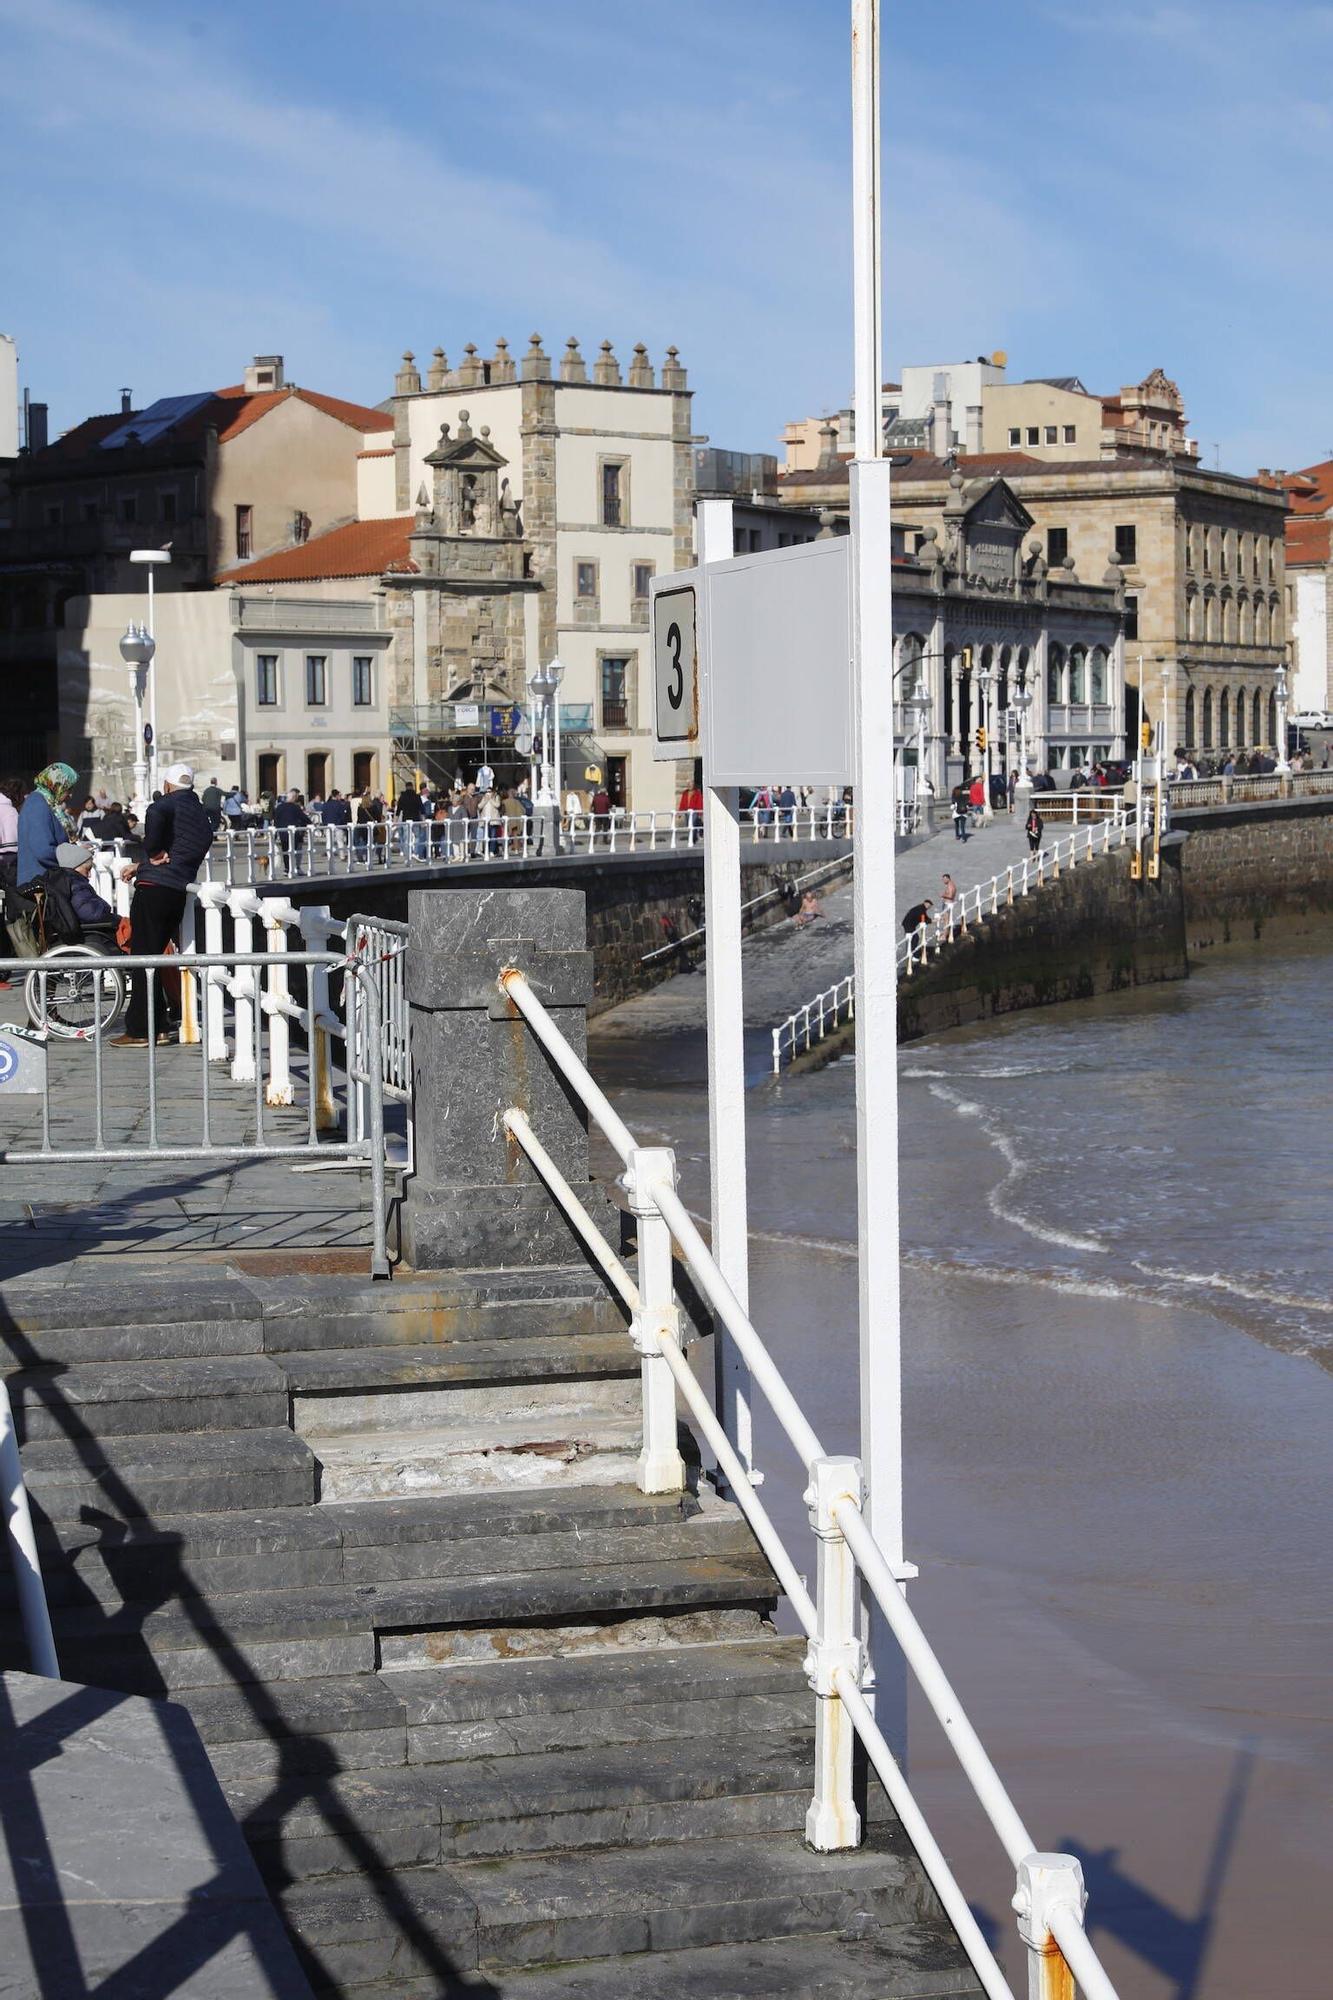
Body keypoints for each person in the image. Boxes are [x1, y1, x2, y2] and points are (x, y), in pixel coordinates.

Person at [113, 763, 213, 1046]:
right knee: (155, 956)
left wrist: (153, 852)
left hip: (154, 890)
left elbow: (155, 815)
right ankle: (159, 1026)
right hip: (176, 890)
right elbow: (182, 849)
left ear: (168, 785)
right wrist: (144, 863)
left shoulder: (165, 804)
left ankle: (140, 1031)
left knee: (143, 957)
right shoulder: (198, 812)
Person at [17, 761, 79, 888]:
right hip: (40, 883)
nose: (71, 795)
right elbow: (44, 850)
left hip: (46, 881)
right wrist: (76, 855)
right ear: (57, 785)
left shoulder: (45, 803)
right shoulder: (37, 804)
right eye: (68, 789)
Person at [52, 841, 117, 939]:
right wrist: (105, 907)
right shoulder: (75, 884)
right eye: (87, 870)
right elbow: (91, 913)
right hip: (89, 933)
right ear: (75, 867)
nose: (90, 875)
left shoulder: (69, 881)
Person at [273, 788, 310, 873]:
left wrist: (275, 833)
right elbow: (304, 818)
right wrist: (311, 824)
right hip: (294, 833)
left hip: (283, 832)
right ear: (294, 797)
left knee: (285, 851)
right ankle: (294, 868)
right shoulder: (295, 807)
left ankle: (287, 868)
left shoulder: (279, 807)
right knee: (294, 851)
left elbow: (276, 820)